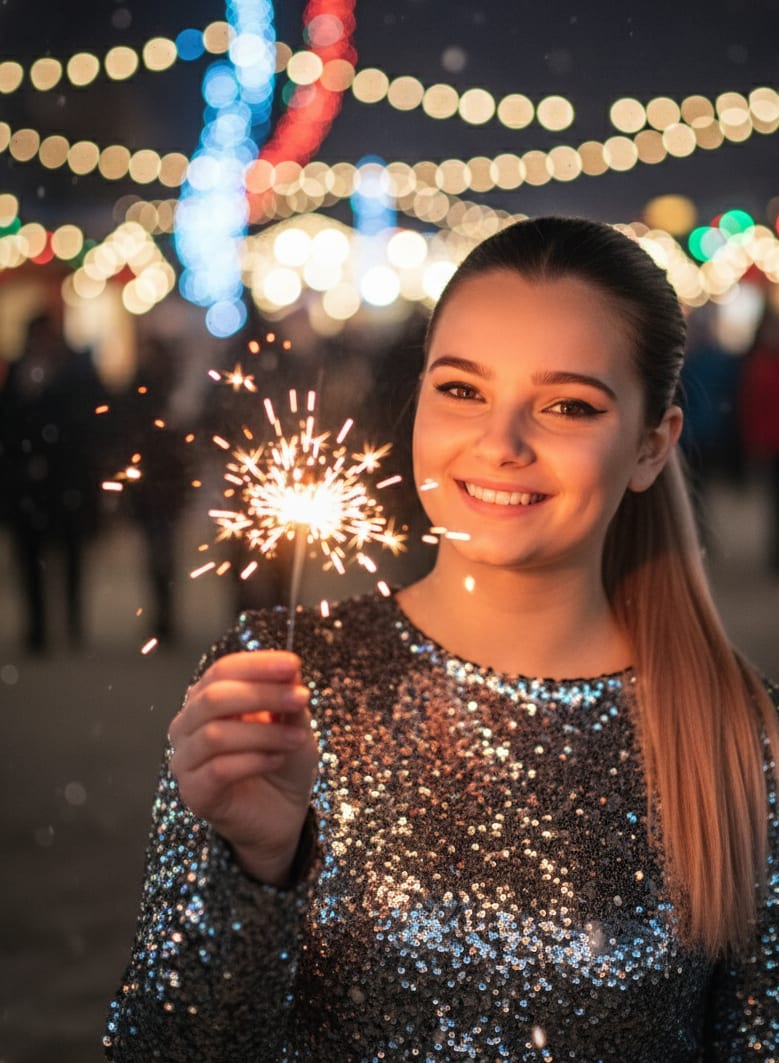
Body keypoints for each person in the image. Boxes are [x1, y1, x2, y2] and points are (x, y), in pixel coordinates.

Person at [104, 217, 779, 1061]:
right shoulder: (281, 684)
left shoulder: (741, 738)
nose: (500, 445)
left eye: (567, 405)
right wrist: (255, 869)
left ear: (651, 445)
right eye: (461, 389)